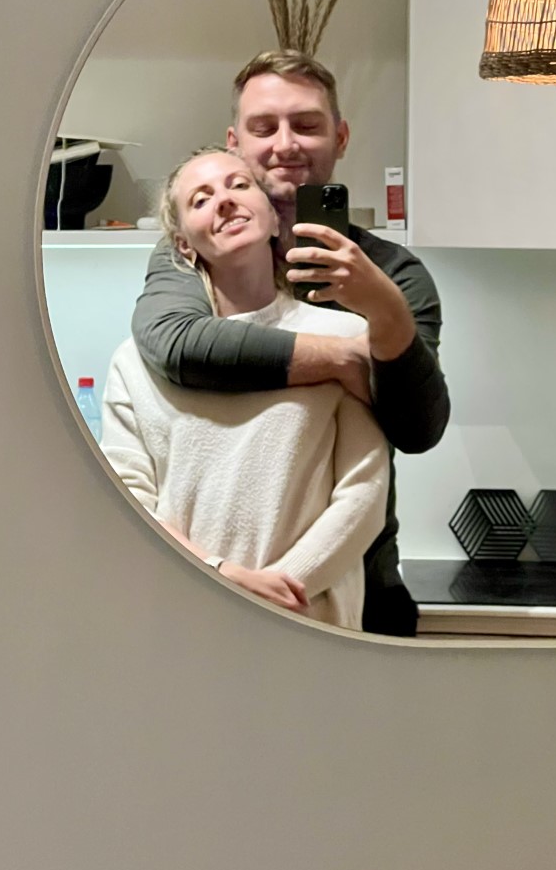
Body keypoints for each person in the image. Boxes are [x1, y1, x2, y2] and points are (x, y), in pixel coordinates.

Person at [132, 50, 451, 636]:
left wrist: (383, 308)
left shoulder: (392, 274)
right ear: (234, 143)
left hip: (360, 588)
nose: (285, 144)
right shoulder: (193, 258)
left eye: (306, 124)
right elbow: (174, 344)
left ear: (340, 137)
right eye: (264, 127)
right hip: (207, 591)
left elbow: (417, 428)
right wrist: (344, 358)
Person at [102, 148, 389, 631]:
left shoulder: (343, 338)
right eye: (200, 199)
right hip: (184, 622)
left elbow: (364, 492)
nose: (224, 201)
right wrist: (218, 577)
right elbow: (126, 503)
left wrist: (283, 587)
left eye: (239, 185)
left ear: (275, 220)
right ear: (183, 245)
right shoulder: (135, 364)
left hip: (309, 623)